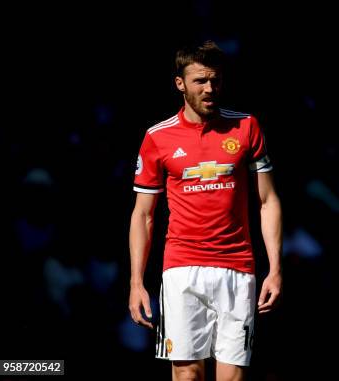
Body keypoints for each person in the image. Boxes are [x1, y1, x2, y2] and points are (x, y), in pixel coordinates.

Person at [128, 40, 283, 381]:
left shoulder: (246, 127)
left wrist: (275, 268)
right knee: (187, 375)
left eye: (215, 80)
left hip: (238, 269)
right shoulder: (158, 137)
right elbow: (143, 215)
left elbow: (267, 200)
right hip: (182, 269)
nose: (210, 88)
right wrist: (136, 282)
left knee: (232, 378)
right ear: (180, 84)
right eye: (200, 81)